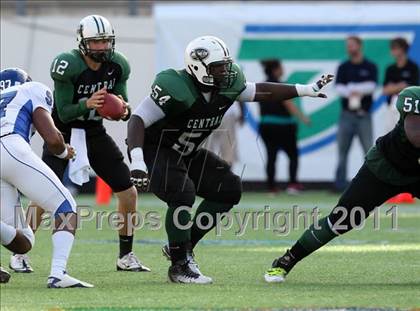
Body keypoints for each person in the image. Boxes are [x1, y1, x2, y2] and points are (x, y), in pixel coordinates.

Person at [127, 35, 333, 284]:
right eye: (217, 67)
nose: (224, 72)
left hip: (186, 151)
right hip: (155, 149)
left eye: (225, 65)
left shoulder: (227, 85)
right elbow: (137, 119)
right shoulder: (175, 86)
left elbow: (262, 91)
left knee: (229, 188)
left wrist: (304, 90)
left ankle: (182, 246)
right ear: (198, 66)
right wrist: (137, 161)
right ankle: (179, 266)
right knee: (182, 193)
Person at [9, 15, 150, 273]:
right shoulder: (68, 65)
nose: (102, 47)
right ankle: (19, 253)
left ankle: (126, 254)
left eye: (106, 41)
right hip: (61, 133)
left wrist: (122, 110)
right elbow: (62, 112)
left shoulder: (118, 65)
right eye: (96, 42)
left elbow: (124, 107)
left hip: (94, 132)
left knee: (128, 192)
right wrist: (87, 103)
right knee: (42, 195)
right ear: (83, 43)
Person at [264, 86, 420, 283]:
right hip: (383, 169)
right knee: (341, 220)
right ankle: (285, 261)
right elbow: (416, 137)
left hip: (416, 172)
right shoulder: (414, 96)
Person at [0, 68, 92, 288]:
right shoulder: (32, 89)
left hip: (6, 152)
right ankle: (58, 274)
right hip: (9, 146)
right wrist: (63, 152)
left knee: (24, 242)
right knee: (66, 206)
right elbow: (52, 138)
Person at [258, 59, 311, 194]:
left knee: (271, 156)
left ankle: (271, 187)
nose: (283, 70)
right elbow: (289, 105)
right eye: (281, 67)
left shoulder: (261, 86)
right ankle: (292, 184)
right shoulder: (280, 86)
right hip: (283, 126)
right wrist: (303, 118)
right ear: (276, 69)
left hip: (266, 125)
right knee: (293, 155)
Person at [334, 36, 378, 192]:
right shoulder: (344, 67)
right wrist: (351, 91)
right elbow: (338, 87)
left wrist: (355, 88)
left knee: (369, 151)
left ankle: (370, 183)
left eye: (352, 45)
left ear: (359, 46)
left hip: (364, 115)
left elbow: (372, 86)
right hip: (347, 115)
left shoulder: (370, 66)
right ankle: (339, 185)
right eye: (348, 46)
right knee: (342, 151)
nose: (349, 48)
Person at [383, 37, 419, 132]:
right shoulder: (390, 69)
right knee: (390, 135)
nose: (392, 51)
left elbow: (414, 89)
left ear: (402, 49)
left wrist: (394, 87)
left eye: (394, 48)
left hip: (408, 109)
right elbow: (385, 90)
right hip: (392, 106)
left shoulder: (412, 67)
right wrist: (400, 86)